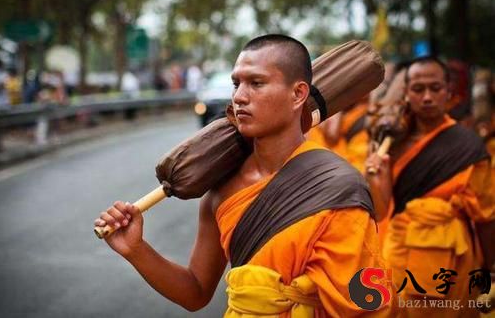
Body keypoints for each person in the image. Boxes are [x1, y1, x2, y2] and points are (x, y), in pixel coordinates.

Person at [95, 34, 392, 316]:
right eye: (236, 83)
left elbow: (367, 303)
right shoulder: (222, 190)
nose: (239, 97)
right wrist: (136, 250)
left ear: (298, 93)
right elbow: (196, 292)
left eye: (257, 83)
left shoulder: (339, 186)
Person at [365, 56, 494, 317]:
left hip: (449, 258)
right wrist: (376, 180)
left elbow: (486, 215)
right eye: (417, 89)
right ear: (406, 92)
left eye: (435, 88)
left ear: (448, 91)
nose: (426, 97)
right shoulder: (392, 142)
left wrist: (490, 267)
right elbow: (380, 210)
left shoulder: (468, 146)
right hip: (394, 251)